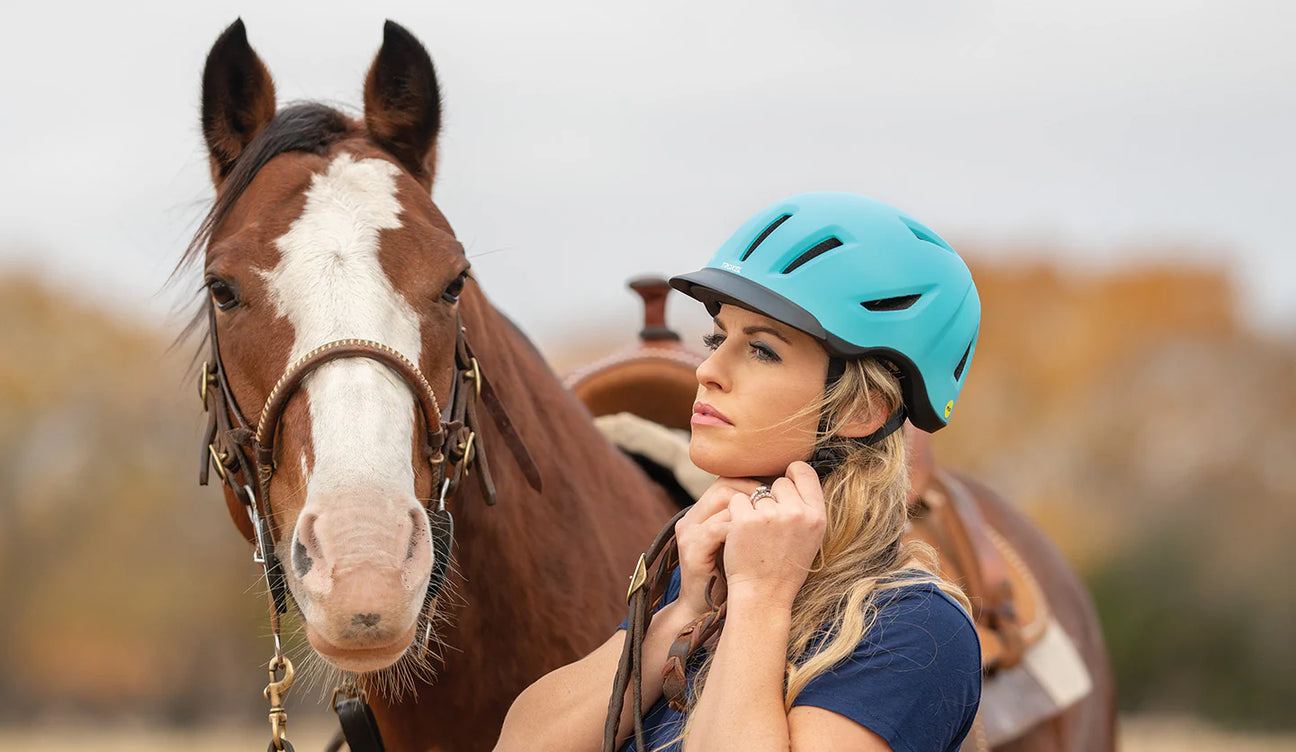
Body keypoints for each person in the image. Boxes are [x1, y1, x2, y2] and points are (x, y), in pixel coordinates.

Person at [495, 192, 983, 752]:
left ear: (860, 409)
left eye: (762, 351)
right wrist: (681, 613)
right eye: (716, 339)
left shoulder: (915, 630)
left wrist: (761, 597)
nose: (707, 370)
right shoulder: (701, 584)